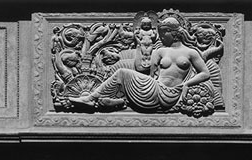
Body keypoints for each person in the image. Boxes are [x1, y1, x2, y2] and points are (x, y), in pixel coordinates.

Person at [69, 17, 210, 112]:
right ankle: (104, 99)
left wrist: (187, 84)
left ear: (172, 33)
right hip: (155, 88)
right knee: (122, 72)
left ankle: (101, 99)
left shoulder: (191, 52)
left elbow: (205, 73)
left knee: (122, 73)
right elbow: (150, 74)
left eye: (162, 33)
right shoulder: (160, 51)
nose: (160, 37)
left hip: (173, 93)